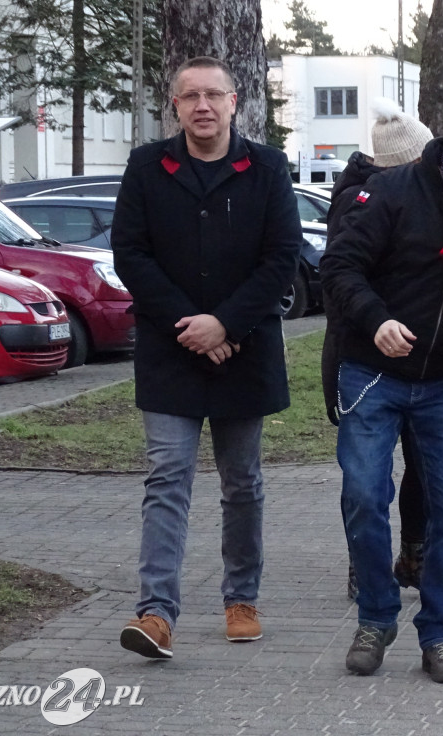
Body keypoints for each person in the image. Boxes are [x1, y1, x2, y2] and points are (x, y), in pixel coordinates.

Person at [320, 109, 443, 684]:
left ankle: (439, 632)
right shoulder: (390, 195)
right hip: (373, 373)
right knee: (364, 496)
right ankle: (376, 616)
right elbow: (338, 269)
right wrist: (376, 319)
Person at [111, 56, 302, 659]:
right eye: (189, 95)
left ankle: (241, 598)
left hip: (243, 353)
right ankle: (155, 612)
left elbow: (282, 256)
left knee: (242, 482)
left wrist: (226, 323)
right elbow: (130, 254)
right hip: (172, 353)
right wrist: (189, 326)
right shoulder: (147, 166)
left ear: (233, 101)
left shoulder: (266, 167)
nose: (201, 106)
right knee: (167, 478)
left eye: (212, 95)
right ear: (175, 105)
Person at [321, 98, 434, 598]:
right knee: (369, 476)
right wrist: (381, 321)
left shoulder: (410, 193)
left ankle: (413, 553)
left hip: (416, 353)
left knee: (422, 465)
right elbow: (345, 279)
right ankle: (366, 563)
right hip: (367, 356)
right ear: (407, 163)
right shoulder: (361, 203)